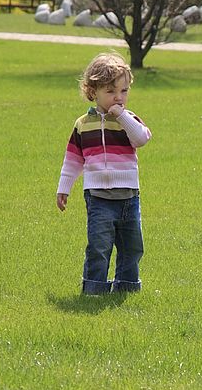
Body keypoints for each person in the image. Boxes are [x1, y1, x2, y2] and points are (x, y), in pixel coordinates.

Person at [56, 52, 152, 295]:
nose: (118, 97)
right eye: (111, 92)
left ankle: (127, 287)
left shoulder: (128, 120)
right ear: (93, 91)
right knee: (99, 246)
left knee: (132, 246)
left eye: (124, 91)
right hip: (98, 197)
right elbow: (73, 159)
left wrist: (122, 117)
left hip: (129, 196)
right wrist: (63, 188)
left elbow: (141, 139)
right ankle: (94, 289)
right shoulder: (83, 124)